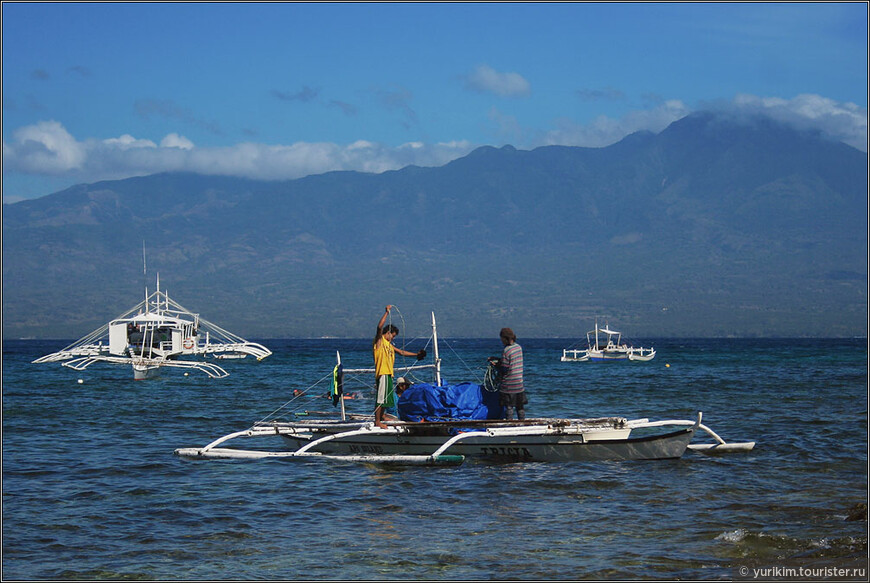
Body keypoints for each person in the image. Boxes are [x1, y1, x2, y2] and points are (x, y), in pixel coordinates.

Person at [373, 306, 425, 428]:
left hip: (389, 374)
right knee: (381, 398)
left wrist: (416, 355)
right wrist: (386, 313)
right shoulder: (380, 341)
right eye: (393, 336)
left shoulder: (390, 346)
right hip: (382, 372)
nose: (393, 338)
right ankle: (377, 421)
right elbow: (379, 327)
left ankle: (381, 417)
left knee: (387, 398)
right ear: (388, 333)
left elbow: (401, 352)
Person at [489, 327, 527, 421]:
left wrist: (496, 364)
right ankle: (522, 423)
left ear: (505, 338)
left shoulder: (506, 350)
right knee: (520, 406)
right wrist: (497, 359)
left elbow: (504, 369)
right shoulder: (518, 347)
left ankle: (510, 423)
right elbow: (511, 362)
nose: (501, 341)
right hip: (519, 383)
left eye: (502, 339)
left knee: (509, 407)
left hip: (509, 384)